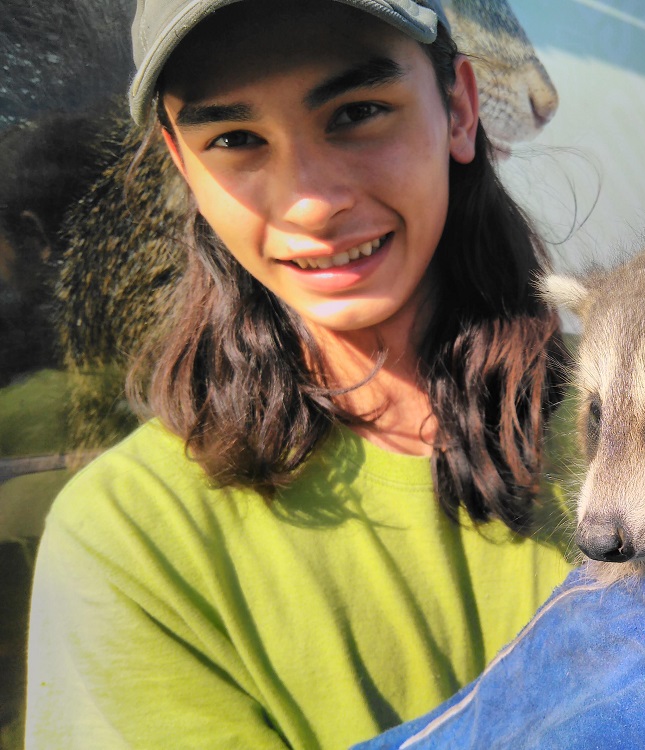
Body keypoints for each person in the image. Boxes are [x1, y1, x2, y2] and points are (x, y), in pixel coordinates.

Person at [25, 1, 577, 747]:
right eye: (235, 138)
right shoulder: (133, 539)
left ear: (459, 110)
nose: (312, 202)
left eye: (357, 112)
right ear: (185, 164)